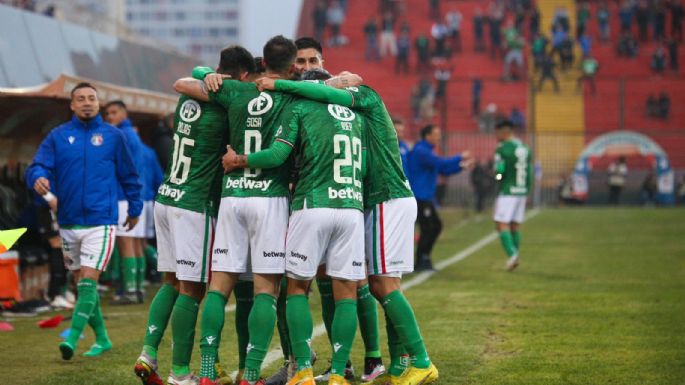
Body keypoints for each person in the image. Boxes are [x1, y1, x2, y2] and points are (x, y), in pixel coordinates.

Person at [257, 73, 442, 385]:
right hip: (363, 204)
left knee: (383, 285)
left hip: (386, 198)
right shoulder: (347, 115)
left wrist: (278, 85)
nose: (342, 79)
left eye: (343, 77)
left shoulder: (365, 95)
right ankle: (398, 366)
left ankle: (421, 361)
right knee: (379, 284)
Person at [173, 36, 312, 385]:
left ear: (261, 63)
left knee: (219, 288)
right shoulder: (295, 94)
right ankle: (250, 373)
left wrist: (207, 73)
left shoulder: (235, 91)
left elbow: (186, 84)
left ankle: (206, 369)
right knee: (267, 290)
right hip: (270, 199)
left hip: (233, 197)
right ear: (294, 66)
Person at [225, 68, 368, 385]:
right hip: (351, 207)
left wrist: (240, 161)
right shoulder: (355, 114)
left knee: (297, 289)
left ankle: (302, 368)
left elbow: (277, 154)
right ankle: (339, 373)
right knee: (346, 294)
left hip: (312, 205)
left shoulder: (300, 108)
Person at [133, 46, 257, 385]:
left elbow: (183, 81)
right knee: (192, 289)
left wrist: (203, 72)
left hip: (167, 195)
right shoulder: (230, 97)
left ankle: (148, 352)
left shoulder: (190, 95)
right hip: (195, 204)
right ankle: (180, 373)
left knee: (170, 281)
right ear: (243, 75)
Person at [25, 82, 142, 360]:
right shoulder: (58, 136)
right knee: (81, 284)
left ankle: (72, 339)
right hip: (67, 221)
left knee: (88, 282)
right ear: (72, 105)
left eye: (92, 98)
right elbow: (36, 166)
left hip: (101, 221)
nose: (87, 102)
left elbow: (129, 174)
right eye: (81, 99)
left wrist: (135, 207)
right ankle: (102, 339)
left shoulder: (113, 136)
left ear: (98, 103)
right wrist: (37, 177)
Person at [407, 124, 472, 271]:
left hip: (426, 197)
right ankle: (421, 260)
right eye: (436, 134)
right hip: (419, 197)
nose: (439, 137)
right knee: (429, 227)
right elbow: (441, 163)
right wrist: (460, 156)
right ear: (427, 135)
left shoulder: (427, 152)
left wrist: (462, 166)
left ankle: (424, 258)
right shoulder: (421, 151)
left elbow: (444, 169)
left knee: (434, 226)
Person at [104, 100, 147, 304]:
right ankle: (137, 288)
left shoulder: (121, 135)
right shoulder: (132, 135)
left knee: (126, 244)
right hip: (136, 195)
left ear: (124, 113)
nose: (109, 117)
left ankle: (129, 290)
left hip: (123, 196)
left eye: (113, 112)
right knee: (137, 245)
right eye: (107, 113)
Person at [492, 119, 532, 272]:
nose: (496, 135)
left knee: (501, 223)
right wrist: (527, 189)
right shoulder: (525, 147)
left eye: (497, 132)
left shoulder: (502, 148)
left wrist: (497, 176)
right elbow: (529, 172)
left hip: (508, 191)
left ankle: (513, 255)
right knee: (515, 225)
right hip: (521, 191)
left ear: (504, 132)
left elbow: (500, 171)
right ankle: (515, 255)